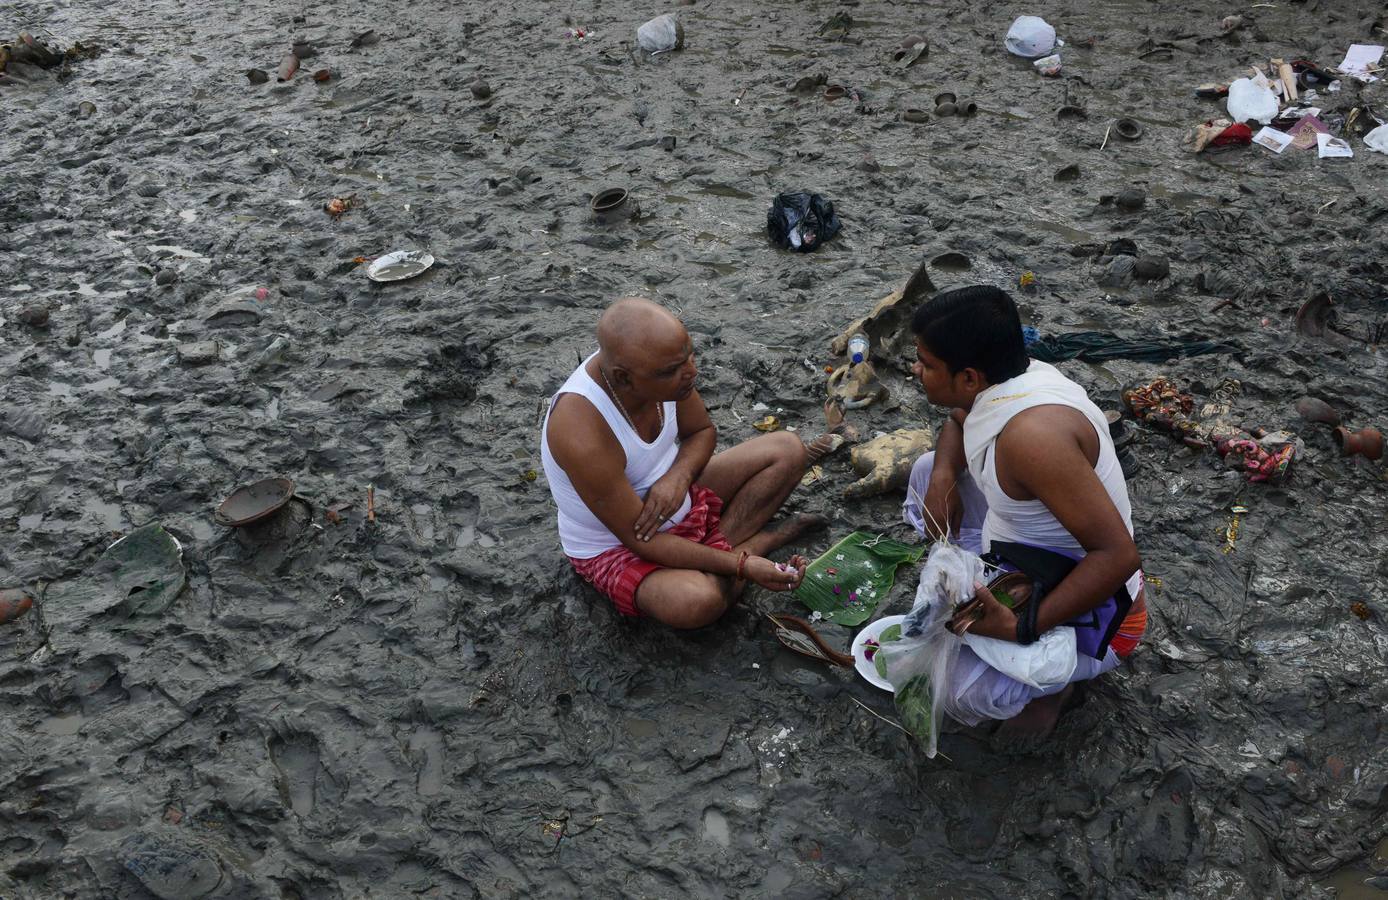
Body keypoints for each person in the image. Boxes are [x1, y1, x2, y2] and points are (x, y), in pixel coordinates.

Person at [902, 286, 1148, 743]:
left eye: (926, 363)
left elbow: (1118, 556)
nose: (916, 371)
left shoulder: (1033, 440)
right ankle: (1023, 643)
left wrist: (1020, 626)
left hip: (1107, 615)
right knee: (922, 474)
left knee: (952, 692)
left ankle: (1058, 687)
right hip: (1026, 551)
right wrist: (941, 478)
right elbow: (959, 419)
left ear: (970, 377)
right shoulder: (1018, 375)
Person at [541, 297, 836, 629]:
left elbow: (701, 431)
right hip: (620, 543)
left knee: (788, 449)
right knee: (697, 602)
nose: (691, 372)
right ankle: (758, 544)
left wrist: (678, 477)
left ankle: (721, 559)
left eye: (689, 356)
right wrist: (743, 566)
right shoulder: (581, 429)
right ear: (624, 379)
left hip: (678, 498)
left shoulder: (663, 369)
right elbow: (641, 539)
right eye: (672, 371)